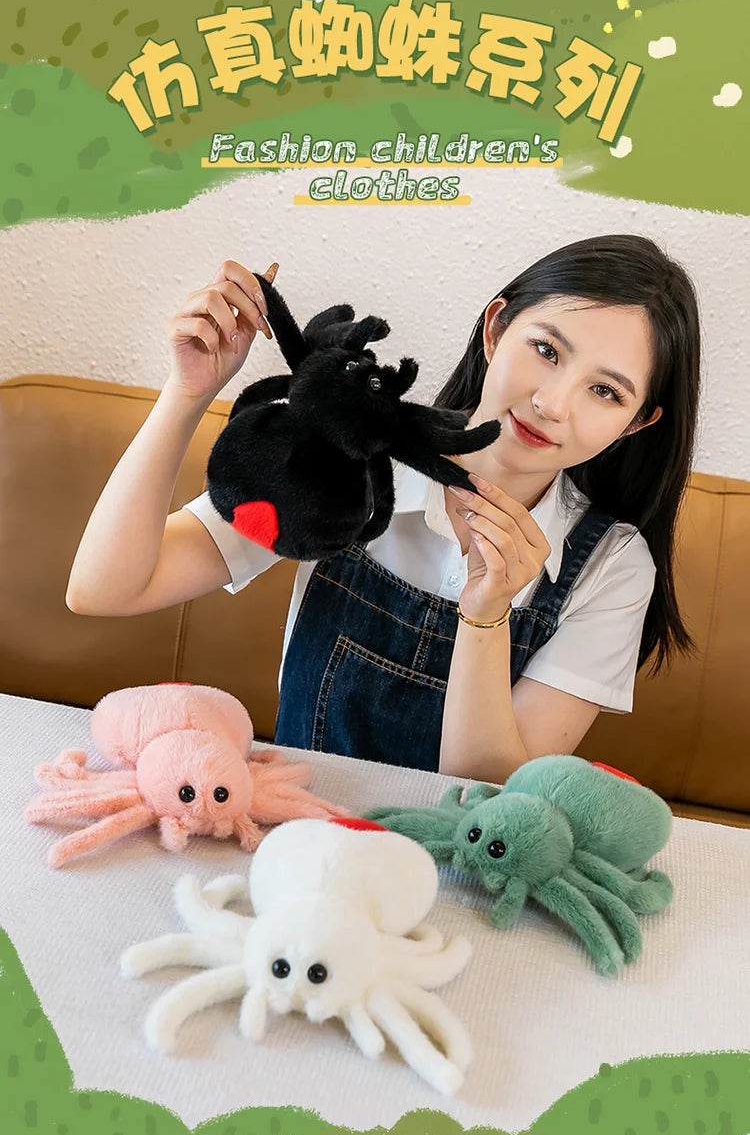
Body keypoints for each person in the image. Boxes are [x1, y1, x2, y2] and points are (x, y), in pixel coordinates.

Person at [66, 235, 701, 783]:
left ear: (636, 423)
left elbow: (494, 799)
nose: (553, 403)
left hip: (453, 865)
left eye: (604, 391)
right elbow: (106, 589)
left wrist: (486, 617)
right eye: (547, 351)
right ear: (496, 328)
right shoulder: (345, 452)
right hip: (297, 835)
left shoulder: (612, 568)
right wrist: (187, 393)